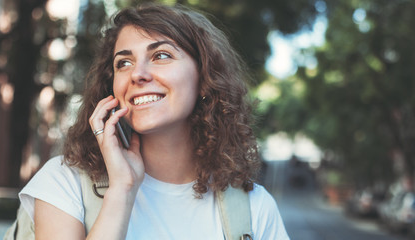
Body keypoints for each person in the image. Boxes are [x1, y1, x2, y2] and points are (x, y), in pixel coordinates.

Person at [19, 3, 289, 239]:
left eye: (161, 56)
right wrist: (122, 190)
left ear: (206, 79)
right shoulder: (64, 183)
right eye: (123, 63)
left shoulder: (254, 210)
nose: (137, 74)